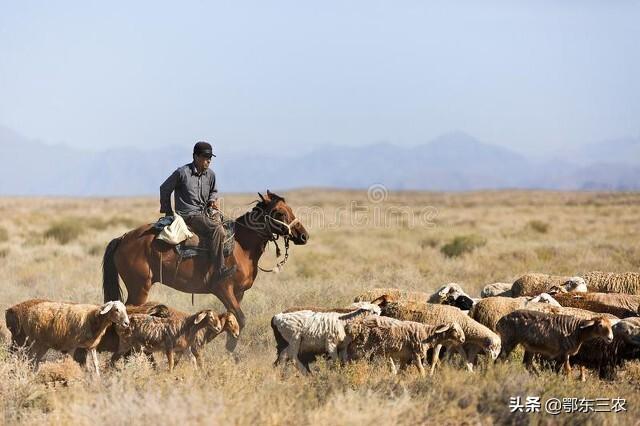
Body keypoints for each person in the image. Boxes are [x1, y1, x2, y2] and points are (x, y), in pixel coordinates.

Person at [159, 141, 235, 285]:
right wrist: (168, 212)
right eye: (206, 157)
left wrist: (212, 201)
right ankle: (219, 269)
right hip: (188, 215)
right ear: (195, 156)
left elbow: (214, 191)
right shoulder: (182, 173)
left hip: (205, 213)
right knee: (217, 230)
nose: (209, 160)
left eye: (210, 157)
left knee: (228, 226)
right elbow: (164, 188)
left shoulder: (211, 175)